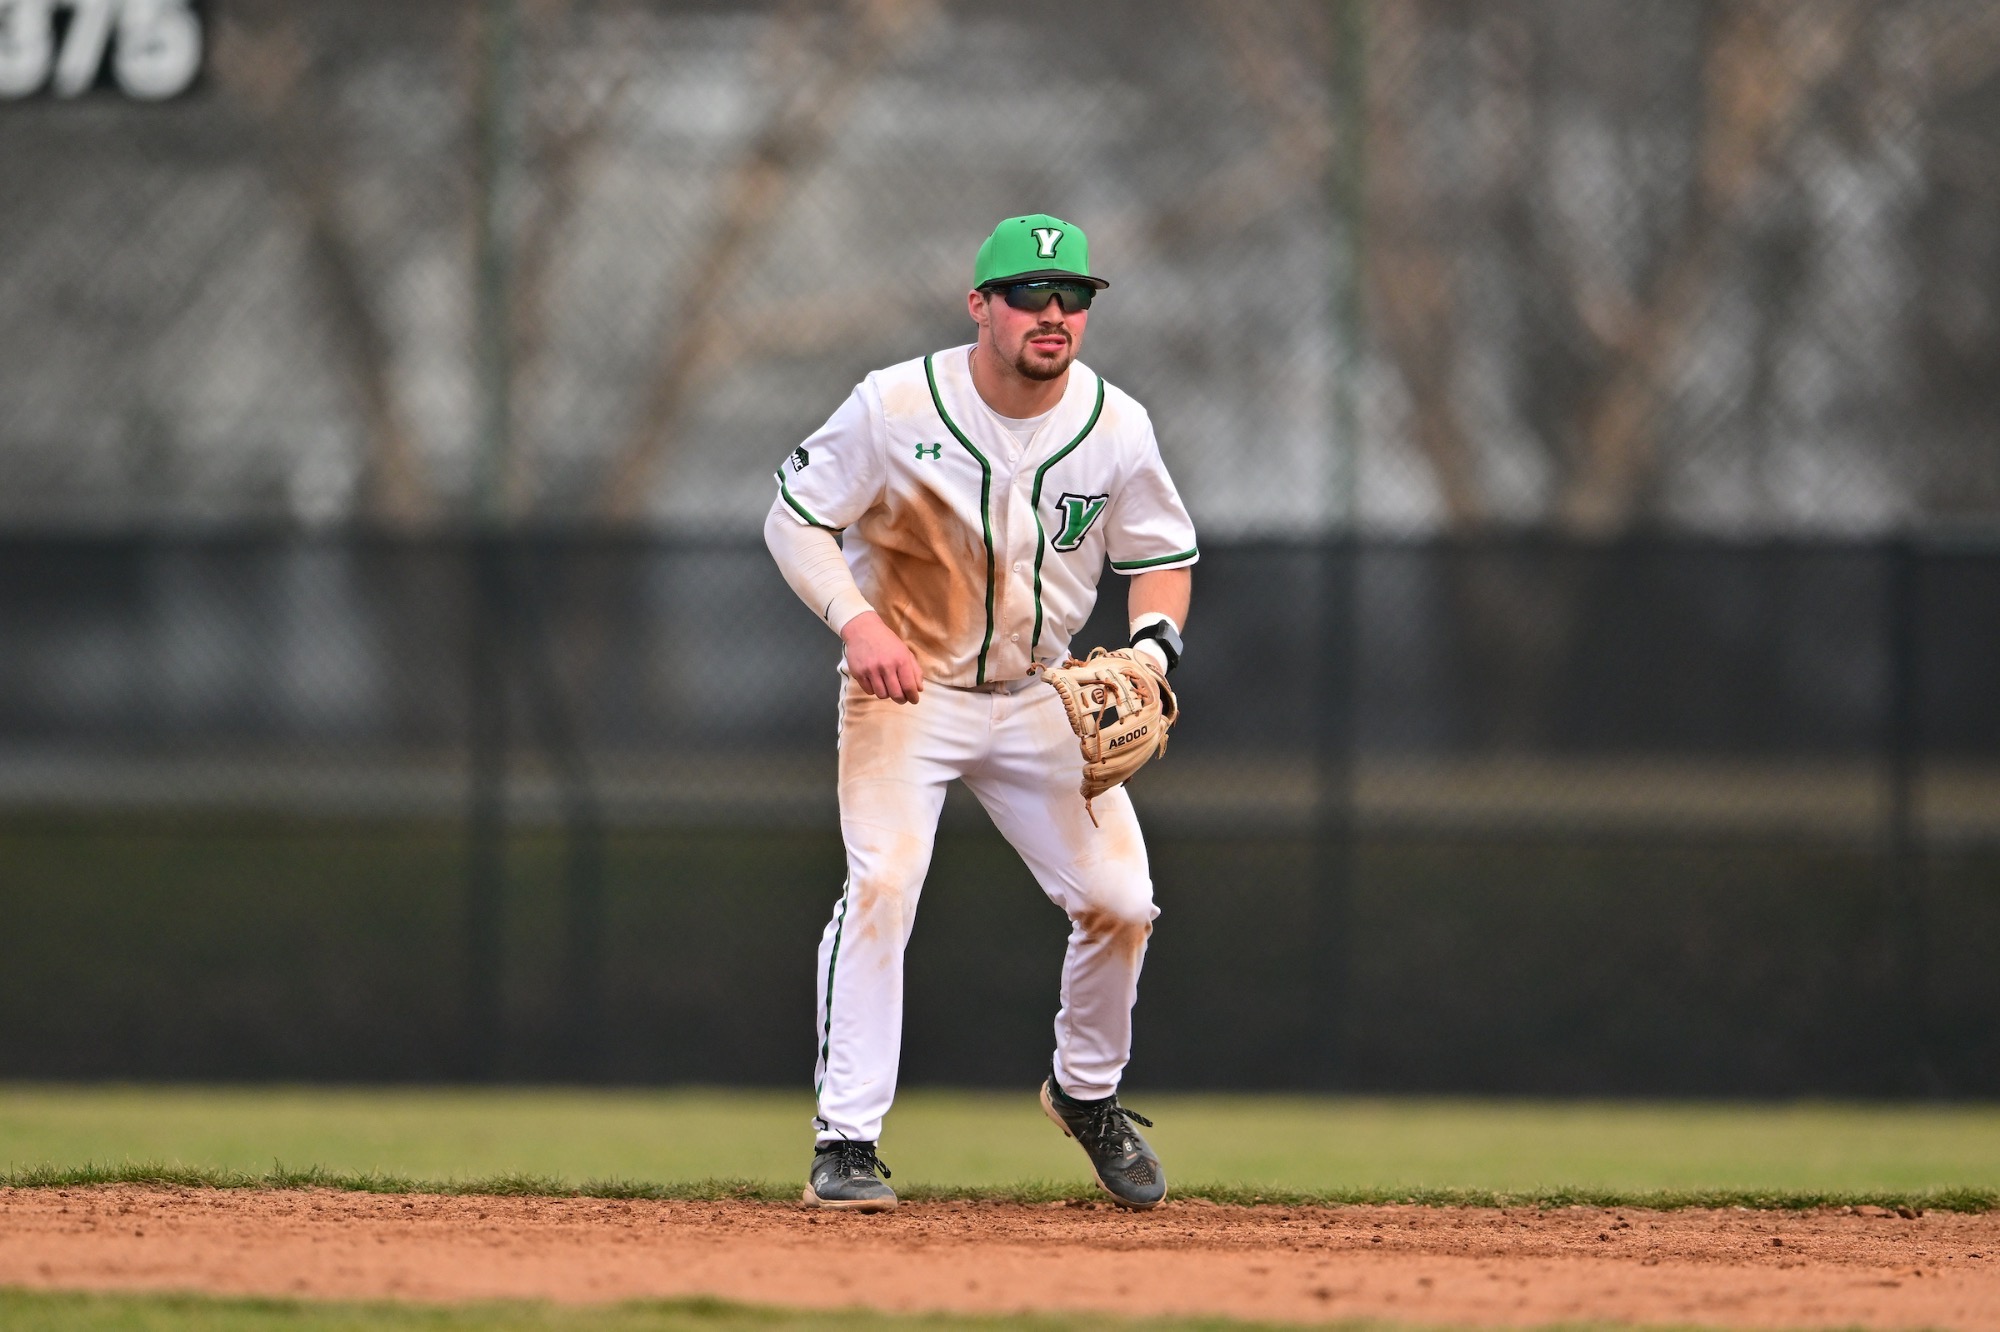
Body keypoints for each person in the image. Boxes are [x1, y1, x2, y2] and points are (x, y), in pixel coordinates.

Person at [763, 214, 1196, 1211]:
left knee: (1122, 906)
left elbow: (1160, 552)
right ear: (980, 306)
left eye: (1071, 298)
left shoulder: (1113, 424)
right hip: (906, 689)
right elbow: (794, 517)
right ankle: (845, 1141)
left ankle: (1086, 1097)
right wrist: (856, 622)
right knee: (883, 884)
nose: (1052, 314)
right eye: (1028, 296)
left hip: (1044, 696)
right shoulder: (894, 404)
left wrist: (1150, 647)